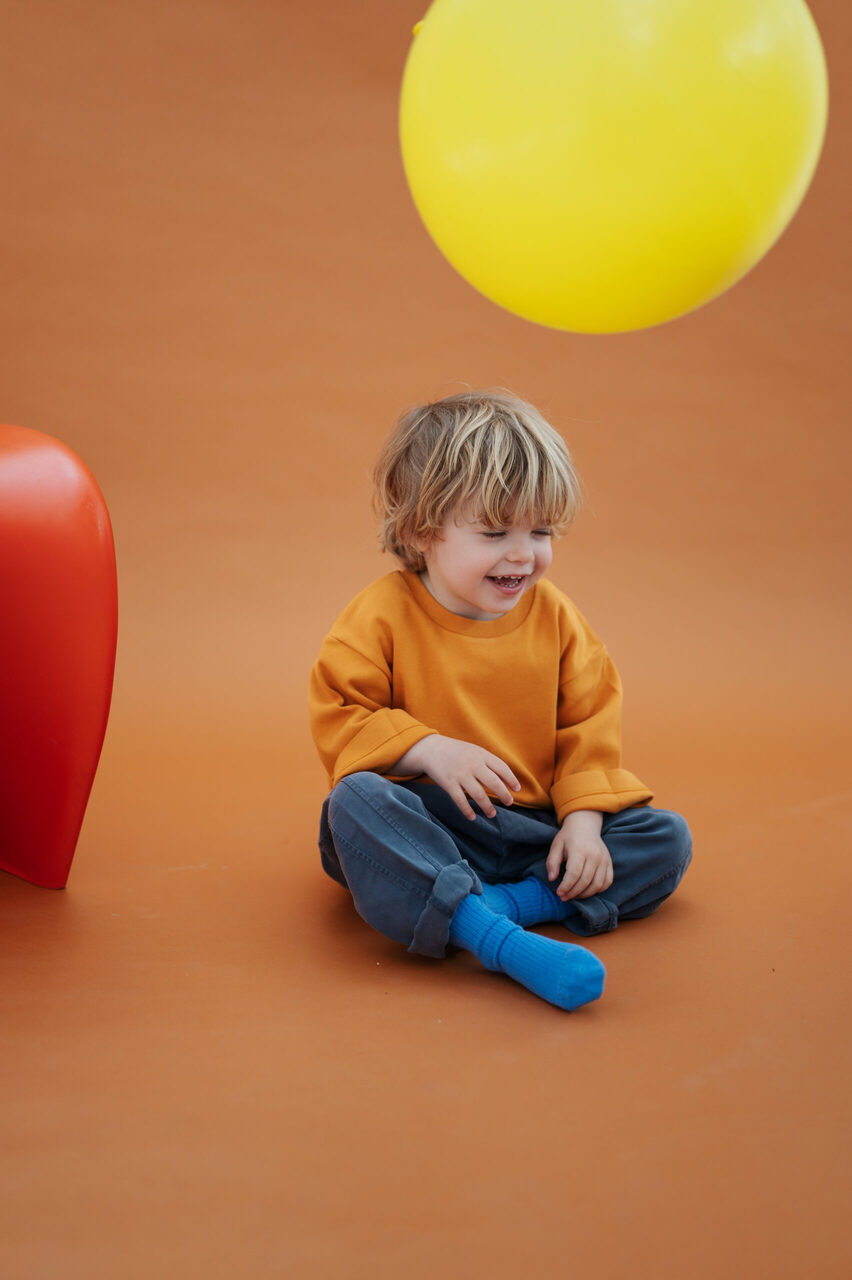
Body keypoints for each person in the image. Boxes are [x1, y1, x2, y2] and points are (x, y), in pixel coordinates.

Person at [308, 390, 691, 1011]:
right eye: (494, 532)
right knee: (353, 806)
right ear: (422, 531)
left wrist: (583, 825)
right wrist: (429, 749)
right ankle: (497, 941)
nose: (522, 554)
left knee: (666, 838)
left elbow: (589, 724)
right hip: (431, 826)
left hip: (533, 829)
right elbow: (342, 713)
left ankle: (499, 907)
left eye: (540, 531)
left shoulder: (557, 618)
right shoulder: (380, 615)